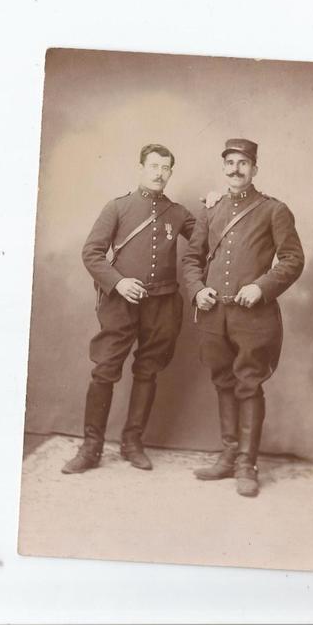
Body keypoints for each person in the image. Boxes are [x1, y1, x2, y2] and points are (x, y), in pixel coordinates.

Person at [62, 143, 196, 474]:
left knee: (148, 370)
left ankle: (132, 443)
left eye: (166, 168)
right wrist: (119, 282)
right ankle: (91, 447)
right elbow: (92, 253)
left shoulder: (177, 213)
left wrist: (215, 206)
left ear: (170, 173)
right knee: (105, 369)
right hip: (121, 302)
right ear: (140, 168)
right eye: (153, 166)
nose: (159, 173)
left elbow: (205, 243)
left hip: (163, 304)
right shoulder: (118, 208)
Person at [182, 138, 305, 497]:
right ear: (224, 167)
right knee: (223, 381)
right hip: (212, 313)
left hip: (253, 316)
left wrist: (262, 287)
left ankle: (247, 464)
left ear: (254, 168)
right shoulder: (211, 210)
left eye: (243, 163)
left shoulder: (273, 210)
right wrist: (196, 289)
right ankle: (228, 455)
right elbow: (192, 259)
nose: (236, 169)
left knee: (248, 383)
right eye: (230, 162)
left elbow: (293, 259)